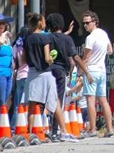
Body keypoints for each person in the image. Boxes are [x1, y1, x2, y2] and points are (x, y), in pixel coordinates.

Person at [23, 14, 75, 142]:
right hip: (45, 73)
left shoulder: (27, 39)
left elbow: (23, 59)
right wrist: (51, 59)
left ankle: (30, 132)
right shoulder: (44, 39)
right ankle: (63, 131)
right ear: (41, 23)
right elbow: (47, 58)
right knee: (55, 101)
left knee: (32, 103)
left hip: (31, 73)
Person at [47, 13, 91, 141]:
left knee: (46, 100)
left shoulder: (48, 38)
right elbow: (75, 57)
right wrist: (85, 72)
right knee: (58, 101)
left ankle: (44, 127)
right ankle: (55, 130)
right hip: (61, 72)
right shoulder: (67, 40)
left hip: (48, 71)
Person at [81, 10, 114, 137]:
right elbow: (110, 50)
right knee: (103, 100)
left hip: (91, 70)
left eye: (87, 23)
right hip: (102, 70)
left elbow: (86, 57)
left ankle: (92, 129)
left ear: (94, 22)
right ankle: (109, 129)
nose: (85, 25)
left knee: (90, 99)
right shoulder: (103, 34)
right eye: (84, 23)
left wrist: (80, 71)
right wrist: (100, 54)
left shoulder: (90, 38)